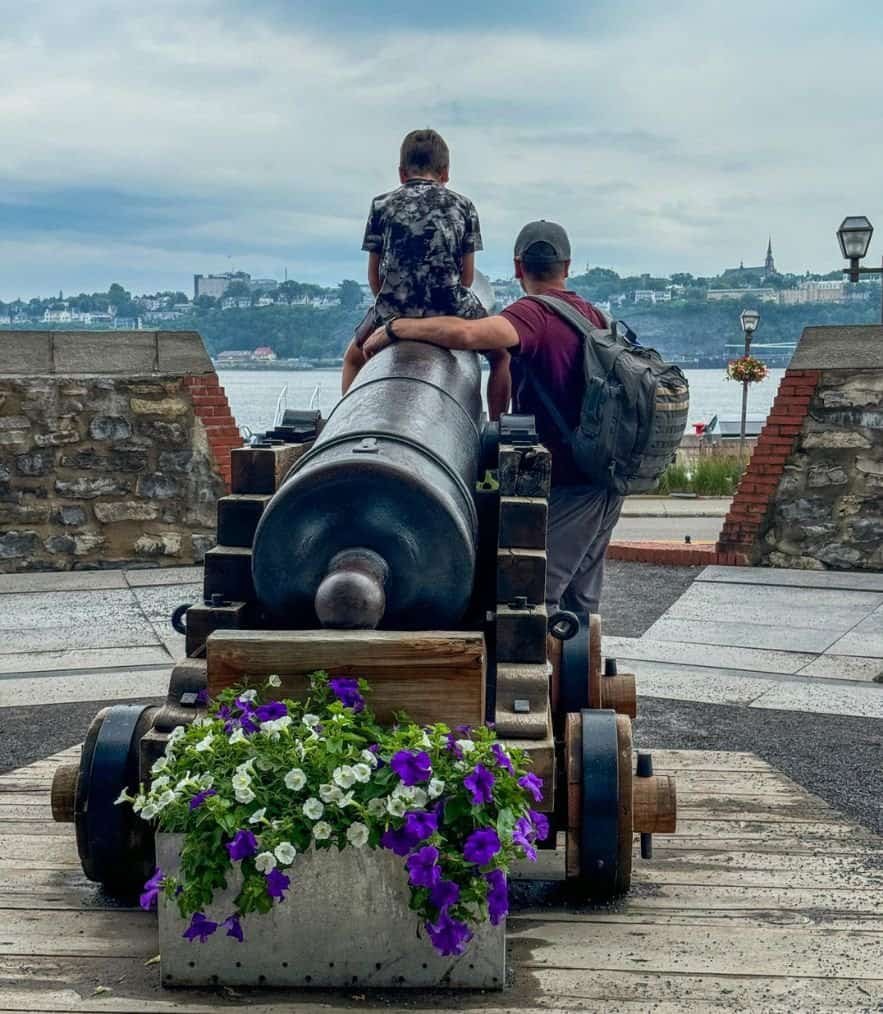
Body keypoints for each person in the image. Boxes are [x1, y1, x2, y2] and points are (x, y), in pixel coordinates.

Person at [362, 220, 622, 617]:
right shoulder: (594, 316)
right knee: (580, 600)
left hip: (569, 480)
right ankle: (576, 673)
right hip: (604, 477)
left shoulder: (534, 315)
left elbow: (468, 336)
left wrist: (397, 328)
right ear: (567, 266)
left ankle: (545, 676)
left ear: (519, 267)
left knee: (532, 600)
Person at [341, 128, 509, 409]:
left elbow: (374, 276)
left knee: (351, 359)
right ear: (445, 172)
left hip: (394, 309)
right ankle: (497, 425)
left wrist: (390, 305)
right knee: (501, 356)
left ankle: (343, 417)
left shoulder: (381, 205)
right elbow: (466, 278)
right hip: (449, 307)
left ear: (401, 173)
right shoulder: (464, 206)